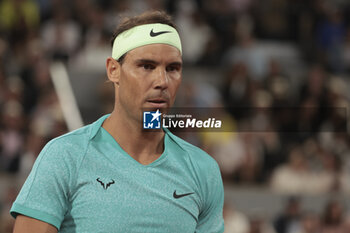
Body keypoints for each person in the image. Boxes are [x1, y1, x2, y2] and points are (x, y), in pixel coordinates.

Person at [10, 10, 225, 233]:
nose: (162, 81)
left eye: (173, 68)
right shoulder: (65, 156)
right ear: (114, 70)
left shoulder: (203, 170)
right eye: (147, 66)